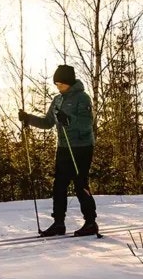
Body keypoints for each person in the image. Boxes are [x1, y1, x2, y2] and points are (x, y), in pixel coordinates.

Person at [18, 64, 98, 237]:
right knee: (59, 186)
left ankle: (90, 222)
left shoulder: (82, 98)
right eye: (56, 84)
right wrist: (28, 118)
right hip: (63, 147)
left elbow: (87, 123)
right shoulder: (58, 100)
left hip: (81, 147)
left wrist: (69, 119)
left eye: (61, 84)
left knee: (80, 184)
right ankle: (58, 223)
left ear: (69, 82)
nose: (58, 87)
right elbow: (48, 123)